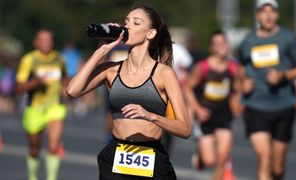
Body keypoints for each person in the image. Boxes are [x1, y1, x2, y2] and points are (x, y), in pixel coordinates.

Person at [66, 5, 191, 180]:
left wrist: (151, 116)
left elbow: (185, 129)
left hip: (151, 155)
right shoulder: (110, 70)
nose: (127, 26)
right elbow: (72, 90)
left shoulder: (164, 73)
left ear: (150, 33)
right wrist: (101, 50)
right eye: (126, 21)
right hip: (117, 154)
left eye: (136, 22)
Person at [238, 0, 296, 179]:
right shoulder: (248, 41)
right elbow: (240, 68)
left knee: (276, 168)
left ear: (277, 14)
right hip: (255, 105)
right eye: (263, 11)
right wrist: (243, 82)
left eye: (272, 11)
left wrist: (283, 76)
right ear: (257, 15)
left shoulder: (288, 38)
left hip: (283, 105)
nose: (268, 15)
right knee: (264, 157)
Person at [16, 29, 69, 180]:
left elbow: (66, 80)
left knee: (53, 147)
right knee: (34, 149)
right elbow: (19, 87)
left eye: (49, 40)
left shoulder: (59, 59)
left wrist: (67, 88)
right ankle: (32, 176)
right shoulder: (29, 60)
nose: (46, 43)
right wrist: (35, 82)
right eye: (42, 40)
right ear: (36, 42)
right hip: (34, 109)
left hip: (55, 108)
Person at [184, 30, 237, 180]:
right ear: (212, 48)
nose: (222, 47)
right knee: (210, 160)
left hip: (224, 115)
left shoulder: (233, 67)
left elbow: (237, 89)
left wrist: (238, 97)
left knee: (222, 158)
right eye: (217, 44)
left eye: (224, 43)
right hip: (205, 115)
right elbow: (187, 88)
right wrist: (198, 109)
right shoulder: (203, 67)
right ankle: (200, 156)